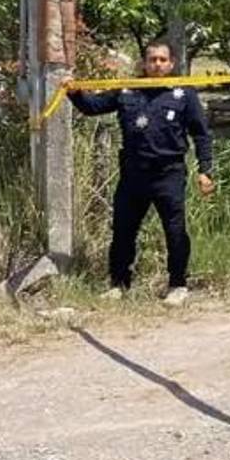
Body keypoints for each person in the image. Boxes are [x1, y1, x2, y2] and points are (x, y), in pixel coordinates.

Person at [67, 39, 214, 306]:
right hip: (133, 175)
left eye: (162, 60)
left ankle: (178, 284)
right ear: (144, 63)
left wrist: (206, 170)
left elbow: (201, 134)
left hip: (168, 174)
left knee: (175, 230)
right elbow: (93, 107)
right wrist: (74, 92)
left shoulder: (183, 93)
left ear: (171, 64)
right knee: (123, 230)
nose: (157, 64)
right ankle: (119, 284)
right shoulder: (127, 90)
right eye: (152, 59)